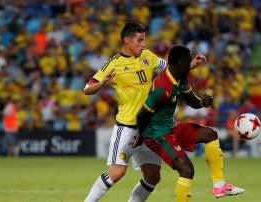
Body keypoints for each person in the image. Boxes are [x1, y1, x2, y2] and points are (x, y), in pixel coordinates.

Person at [83, 22, 206, 202]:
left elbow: (170, 69)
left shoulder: (148, 56)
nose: (143, 44)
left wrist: (191, 65)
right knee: (117, 173)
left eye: (144, 40)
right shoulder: (114, 63)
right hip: (127, 127)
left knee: (153, 176)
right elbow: (88, 88)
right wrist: (102, 84)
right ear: (127, 40)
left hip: (149, 129)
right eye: (140, 40)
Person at [135, 45, 244, 201]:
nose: (191, 63)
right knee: (187, 170)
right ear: (179, 63)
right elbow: (142, 114)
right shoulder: (162, 87)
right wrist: (140, 136)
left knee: (210, 134)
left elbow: (191, 100)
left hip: (170, 127)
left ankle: (220, 185)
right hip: (157, 135)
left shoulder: (180, 75)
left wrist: (202, 103)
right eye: (188, 60)